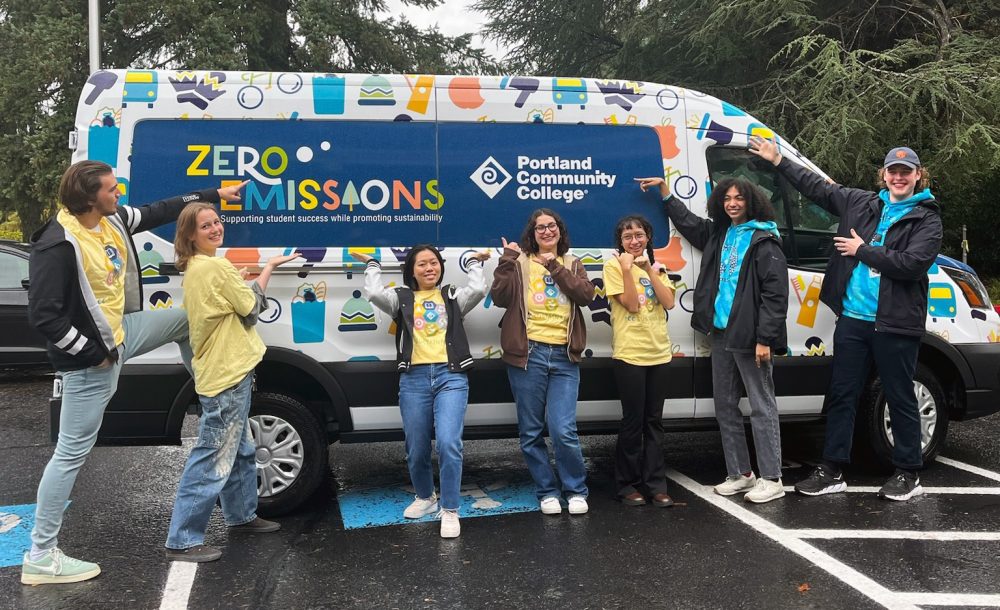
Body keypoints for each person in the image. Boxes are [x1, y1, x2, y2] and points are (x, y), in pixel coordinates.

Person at [23, 159, 246, 584]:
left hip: (123, 332)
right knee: (70, 453)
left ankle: (213, 394)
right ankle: (41, 554)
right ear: (90, 197)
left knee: (186, 320)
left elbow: (162, 209)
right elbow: (44, 316)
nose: (119, 193)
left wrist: (215, 195)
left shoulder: (112, 220)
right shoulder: (58, 243)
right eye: (111, 189)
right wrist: (93, 354)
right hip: (92, 359)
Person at [749, 137, 942, 501]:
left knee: (900, 396)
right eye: (893, 171)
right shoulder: (860, 202)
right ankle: (832, 469)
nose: (899, 177)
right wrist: (778, 161)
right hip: (853, 320)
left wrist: (862, 250)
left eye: (906, 172)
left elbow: (912, 264)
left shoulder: (926, 219)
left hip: (895, 323)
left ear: (918, 176)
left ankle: (908, 473)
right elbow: (818, 188)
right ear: (883, 175)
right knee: (842, 394)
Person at [636, 176, 789, 504]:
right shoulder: (721, 233)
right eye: (727, 198)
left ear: (752, 202)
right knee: (725, 406)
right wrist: (666, 194)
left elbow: (775, 296)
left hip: (750, 336)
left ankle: (772, 478)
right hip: (722, 332)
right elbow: (690, 224)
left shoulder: (764, 240)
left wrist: (765, 338)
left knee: (761, 406)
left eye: (739, 198)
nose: (732, 203)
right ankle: (741, 474)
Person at [164, 203, 299, 561]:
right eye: (205, 226)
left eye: (217, 222)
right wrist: (266, 270)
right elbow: (251, 309)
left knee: (241, 450)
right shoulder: (216, 267)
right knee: (213, 455)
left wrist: (243, 279)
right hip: (227, 373)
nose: (215, 229)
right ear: (190, 234)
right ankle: (182, 539)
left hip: (222, 370)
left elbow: (230, 302)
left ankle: (241, 516)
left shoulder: (197, 268)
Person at [354, 245, 490, 538]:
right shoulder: (401, 298)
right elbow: (374, 294)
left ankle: (450, 509)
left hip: (450, 376)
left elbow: (479, 289)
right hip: (413, 379)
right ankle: (426, 497)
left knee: (448, 442)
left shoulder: (452, 296)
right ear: (411, 271)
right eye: (422, 264)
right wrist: (373, 265)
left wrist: (474, 262)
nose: (430, 268)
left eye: (434, 263)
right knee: (416, 447)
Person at [491, 209, 596, 515]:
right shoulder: (520, 262)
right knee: (531, 431)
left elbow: (586, 295)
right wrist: (506, 260)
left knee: (563, 429)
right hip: (529, 354)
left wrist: (554, 266)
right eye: (540, 228)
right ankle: (547, 490)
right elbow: (499, 297)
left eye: (552, 226)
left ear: (560, 230)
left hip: (564, 355)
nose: (547, 231)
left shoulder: (572, 263)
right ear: (532, 234)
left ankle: (575, 489)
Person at [604, 214, 677, 507]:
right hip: (630, 354)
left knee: (654, 422)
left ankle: (656, 485)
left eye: (639, 235)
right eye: (628, 237)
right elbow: (632, 305)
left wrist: (648, 269)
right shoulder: (612, 266)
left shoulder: (657, 266)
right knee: (633, 422)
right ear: (620, 242)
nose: (634, 241)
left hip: (659, 353)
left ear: (648, 237)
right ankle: (627, 485)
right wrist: (626, 269)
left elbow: (669, 302)